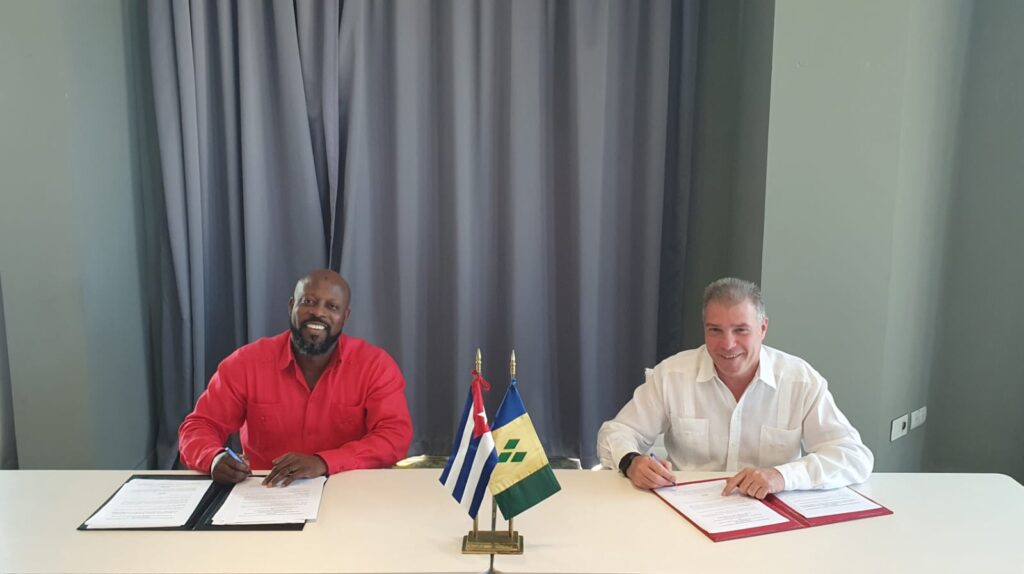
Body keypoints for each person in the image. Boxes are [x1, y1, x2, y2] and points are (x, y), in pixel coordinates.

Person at [597, 277, 872, 499]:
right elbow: (616, 432)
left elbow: (854, 456)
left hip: (773, 516)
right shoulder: (671, 375)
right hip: (686, 510)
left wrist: (782, 476)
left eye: (741, 330)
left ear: (762, 329)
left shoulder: (800, 380)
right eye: (715, 330)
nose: (727, 345)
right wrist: (631, 461)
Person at [179, 269, 413, 486]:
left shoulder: (375, 366)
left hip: (349, 489)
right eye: (308, 302)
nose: (318, 312)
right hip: (266, 491)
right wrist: (213, 457)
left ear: (345, 316)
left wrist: (324, 462)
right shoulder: (246, 363)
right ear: (291, 306)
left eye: (332, 306)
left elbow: (394, 436)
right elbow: (199, 426)